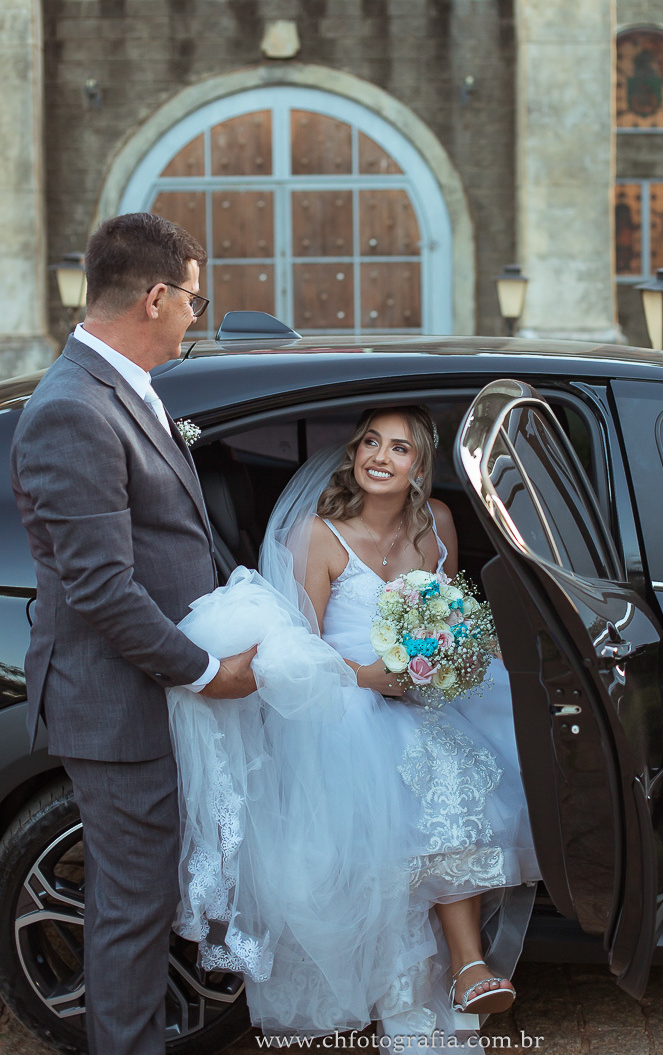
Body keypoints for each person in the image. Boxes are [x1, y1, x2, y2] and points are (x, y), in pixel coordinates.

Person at [170, 405, 539, 1044]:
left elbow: (448, 617)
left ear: (420, 467)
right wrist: (371, 677)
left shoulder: (439, 522)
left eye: (399, 448)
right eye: (371, 442)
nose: (379, 457)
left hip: (420, 699)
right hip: (340, 703)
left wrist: (449, 660)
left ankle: (466, 968)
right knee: (413, 782)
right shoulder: (317, 535)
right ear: (353, 453)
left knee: (457, 767)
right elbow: (294, 652)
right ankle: (455, 971)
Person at [10, 212, 258, 1055]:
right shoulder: (73, 410)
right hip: (117, 704)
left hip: (147, 695)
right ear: (155, 298)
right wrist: (208, 672)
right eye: (193, 299)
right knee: (131, 910)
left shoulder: (124, 386)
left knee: (144, 902)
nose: (195, 316)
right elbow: (102, 589)